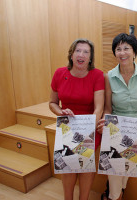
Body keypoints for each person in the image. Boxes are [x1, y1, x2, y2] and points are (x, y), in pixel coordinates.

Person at [100, 33, 137, 200]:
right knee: (114, 154)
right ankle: (118, 194)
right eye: (118, 49)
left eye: (126, 48)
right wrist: (105, 120)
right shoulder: (108, 76)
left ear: (134, 51)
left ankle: (113, 196)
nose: (122, 52)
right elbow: (108, 108)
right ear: (114, 53)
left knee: (128, 151)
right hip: (119, 125)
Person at [49, 38, 105, 200]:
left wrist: (87, 132)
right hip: (67, 127)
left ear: (90, 57)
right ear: (71, 55)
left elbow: (99, 107)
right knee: (67, 166)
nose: (81, 54)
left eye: (86, 52)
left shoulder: (97, 75)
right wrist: (60, 112)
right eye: (78, 51)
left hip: (90, 127)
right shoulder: (59, 73)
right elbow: (52, 103)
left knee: (85, 166)